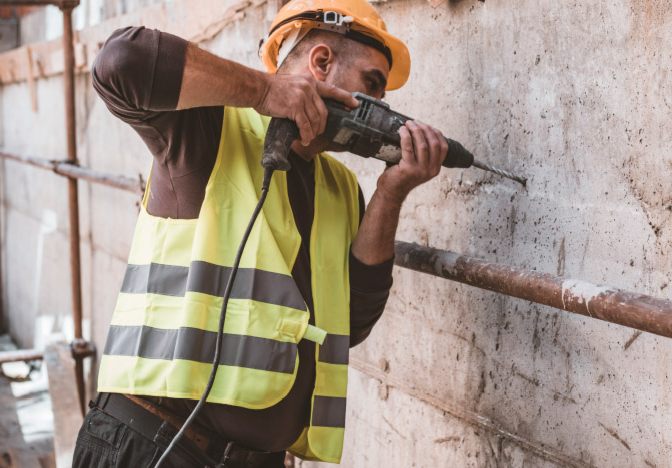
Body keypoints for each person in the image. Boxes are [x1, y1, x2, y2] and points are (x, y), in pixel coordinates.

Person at [72, 0, 446, 466]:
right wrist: (264, 90)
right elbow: (119, 63)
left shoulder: (340, 187)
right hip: (154, 448)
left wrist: (392, 192)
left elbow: (350, 323)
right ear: (322, 62)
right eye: (372, 84)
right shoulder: (208, 124)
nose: (380, 106)